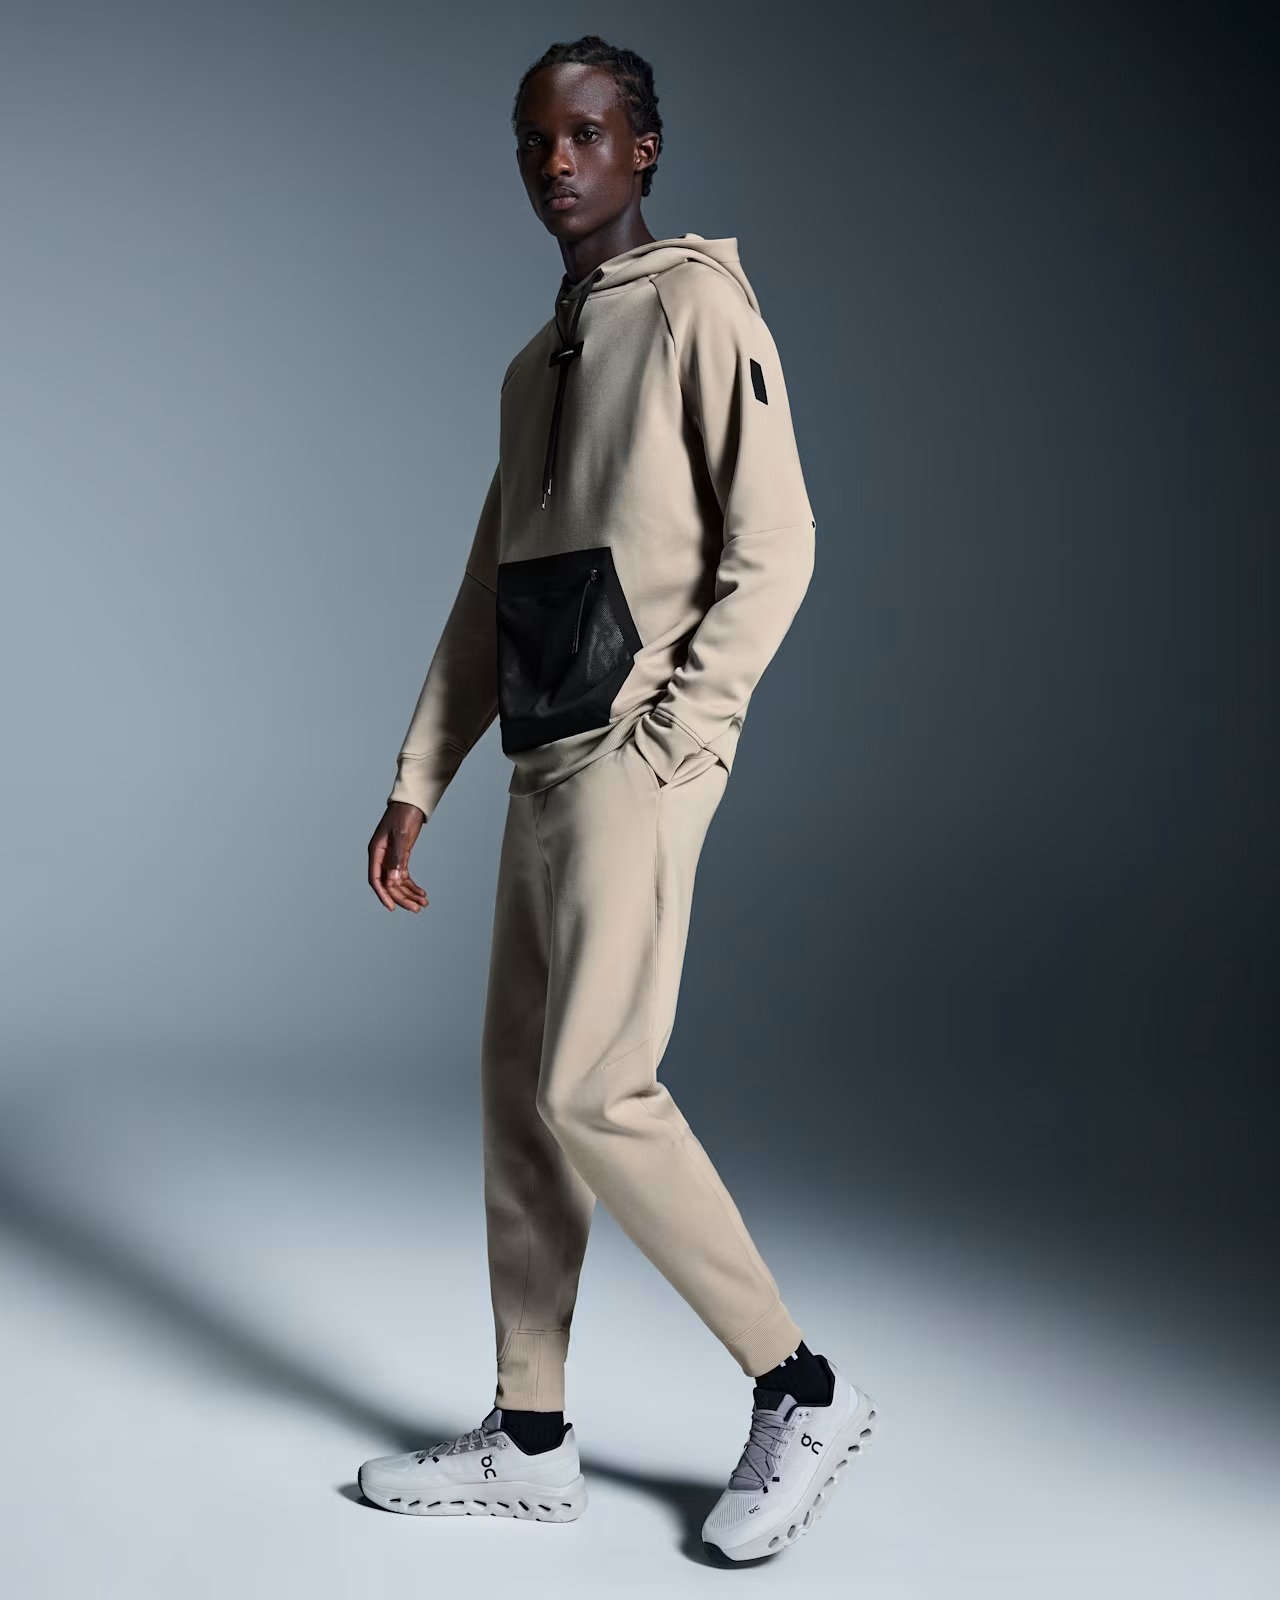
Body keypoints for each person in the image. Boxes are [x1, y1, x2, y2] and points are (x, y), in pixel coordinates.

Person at [358, 34, 878, 1562]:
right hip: (540, 760)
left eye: (587, 134)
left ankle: (801, 1387)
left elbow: (777, 541)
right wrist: (418, 779)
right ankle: (529, 1434)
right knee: (520, 1096)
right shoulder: (535, 365)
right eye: (536, 140)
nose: (558, 162)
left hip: (634, 759)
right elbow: (489, 590)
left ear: (642, 147)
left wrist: (681, 734)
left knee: (595, 1088)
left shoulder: (699, 305)